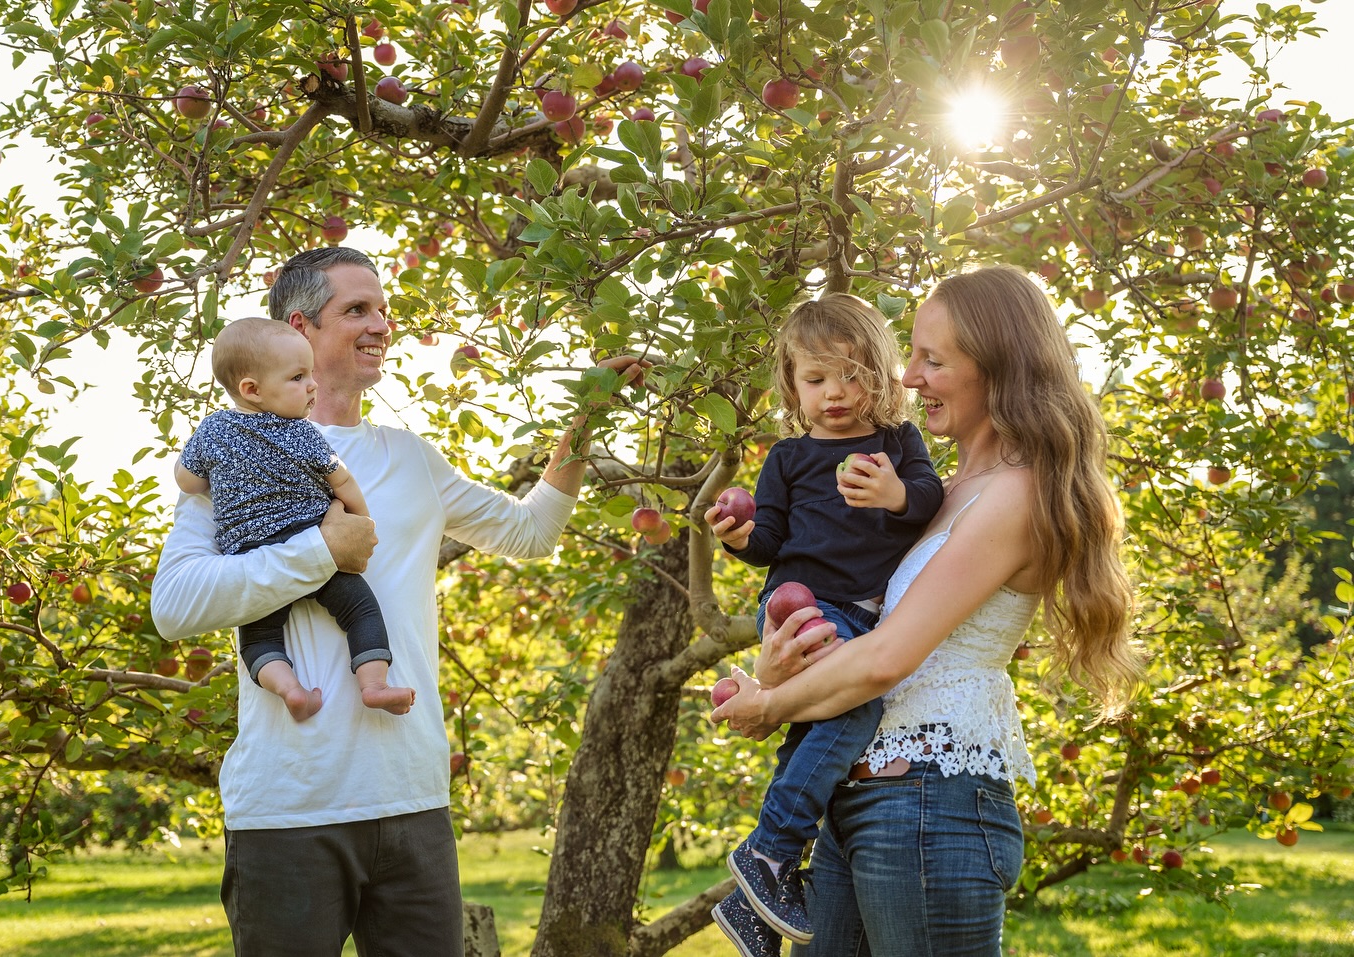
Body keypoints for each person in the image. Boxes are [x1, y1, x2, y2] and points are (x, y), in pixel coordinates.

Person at [151, 246, 647, 957]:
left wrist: (586, 415)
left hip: (413, 801)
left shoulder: (411, 457)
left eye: (383, 308)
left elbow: (532, 530)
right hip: (289, 808)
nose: (381, 323)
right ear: (300, 326)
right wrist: (322, 553)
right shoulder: (234, 450)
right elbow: (175, 606)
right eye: (357, 309)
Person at [712, 265, 1143, 957]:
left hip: (927, 806)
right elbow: (856, 620)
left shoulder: (1016, 494)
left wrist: (771, 704)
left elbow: (888, 656)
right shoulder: (943, 489)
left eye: (930, 359)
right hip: (855, 804)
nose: (907, 379)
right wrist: (781, 665)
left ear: (997, 368)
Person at [702, 294, 943, 953]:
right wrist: (740, 533)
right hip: (802, 605)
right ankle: (771, 852)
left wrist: (895, 494)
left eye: (852, 374)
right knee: (856, 711)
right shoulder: (787, 457)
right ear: (792, 385)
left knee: (810, 734)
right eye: (817, 378)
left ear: (882, 375)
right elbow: (770, 538)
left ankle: (754, 903)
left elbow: (929, 499)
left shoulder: (898, 442)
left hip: (866, 618)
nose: (835, 391)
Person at [175, 316, 414, 722]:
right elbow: (344, 482)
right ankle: (374, 686)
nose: (312, 386)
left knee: (260, 637)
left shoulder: (213, 429)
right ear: (252, 389)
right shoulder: (302, 433)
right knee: (362, 612)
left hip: (251, 555)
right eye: (298, 377)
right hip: (313, 537)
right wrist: (361, 520)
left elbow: (187, 482)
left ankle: (291, 691)